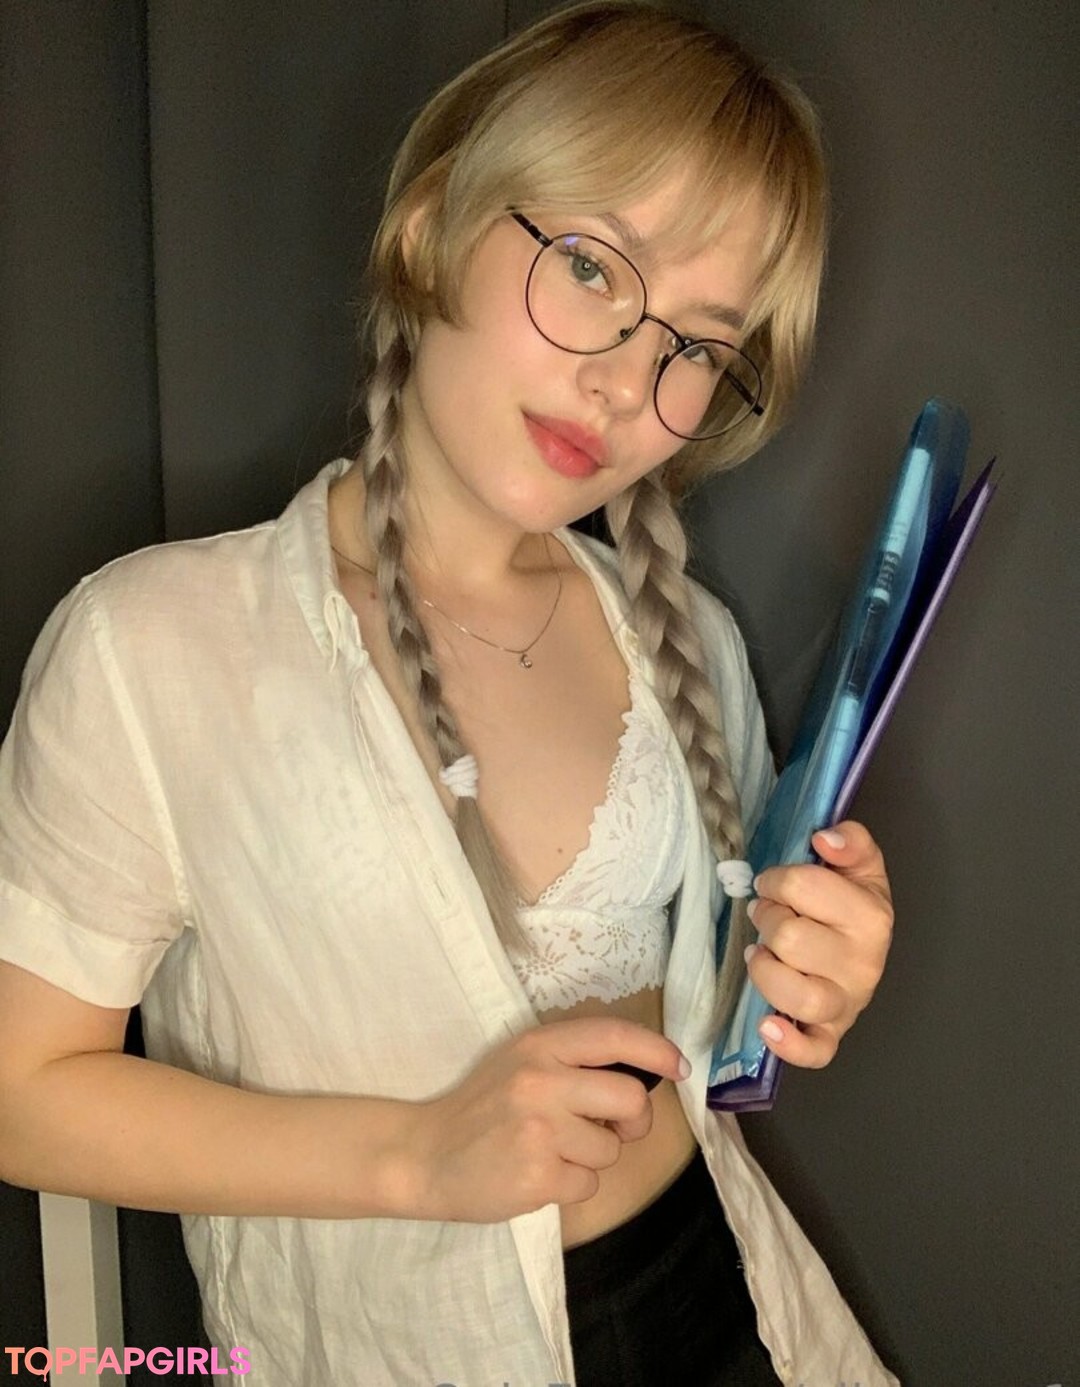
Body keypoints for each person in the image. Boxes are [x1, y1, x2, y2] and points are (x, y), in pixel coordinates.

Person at [0, 3, 898, 1383]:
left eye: (695, 348)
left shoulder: (688, 647)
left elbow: (713, 1013)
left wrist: (808, 974)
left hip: (726, 1304)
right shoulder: (152, 650)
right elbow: (20, 1095)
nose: (624, 383)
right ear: (430, 226)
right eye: (591, 267)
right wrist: (418, 1157)